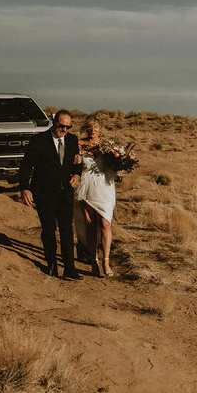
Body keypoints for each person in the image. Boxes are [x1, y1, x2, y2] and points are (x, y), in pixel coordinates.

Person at [19, 109, 83, 280]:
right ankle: (51, 265)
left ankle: (70, 268)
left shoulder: (72, 140)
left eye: (68, 127)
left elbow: (77, 163)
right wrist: (25, 187)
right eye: (61, 126)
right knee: (48, 229)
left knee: (67, 231)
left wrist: (77, 175)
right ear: (54, 122)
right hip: (44, 192)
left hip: (65, 193)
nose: (64, 130)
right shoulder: (39, 140)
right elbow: (26, 165)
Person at [75, 115, 120, 277]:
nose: (92, 131)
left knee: (105, 224)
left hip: (105, 188)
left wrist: (121, 163)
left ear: (100, 129)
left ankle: (106, 261)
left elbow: (115, 168)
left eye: (95, 127)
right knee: (90, 225)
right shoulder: (78, 144)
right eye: (89, 127)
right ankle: (93, 261)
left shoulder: (107, 146)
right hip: (87, 188)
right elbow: (75, 167)